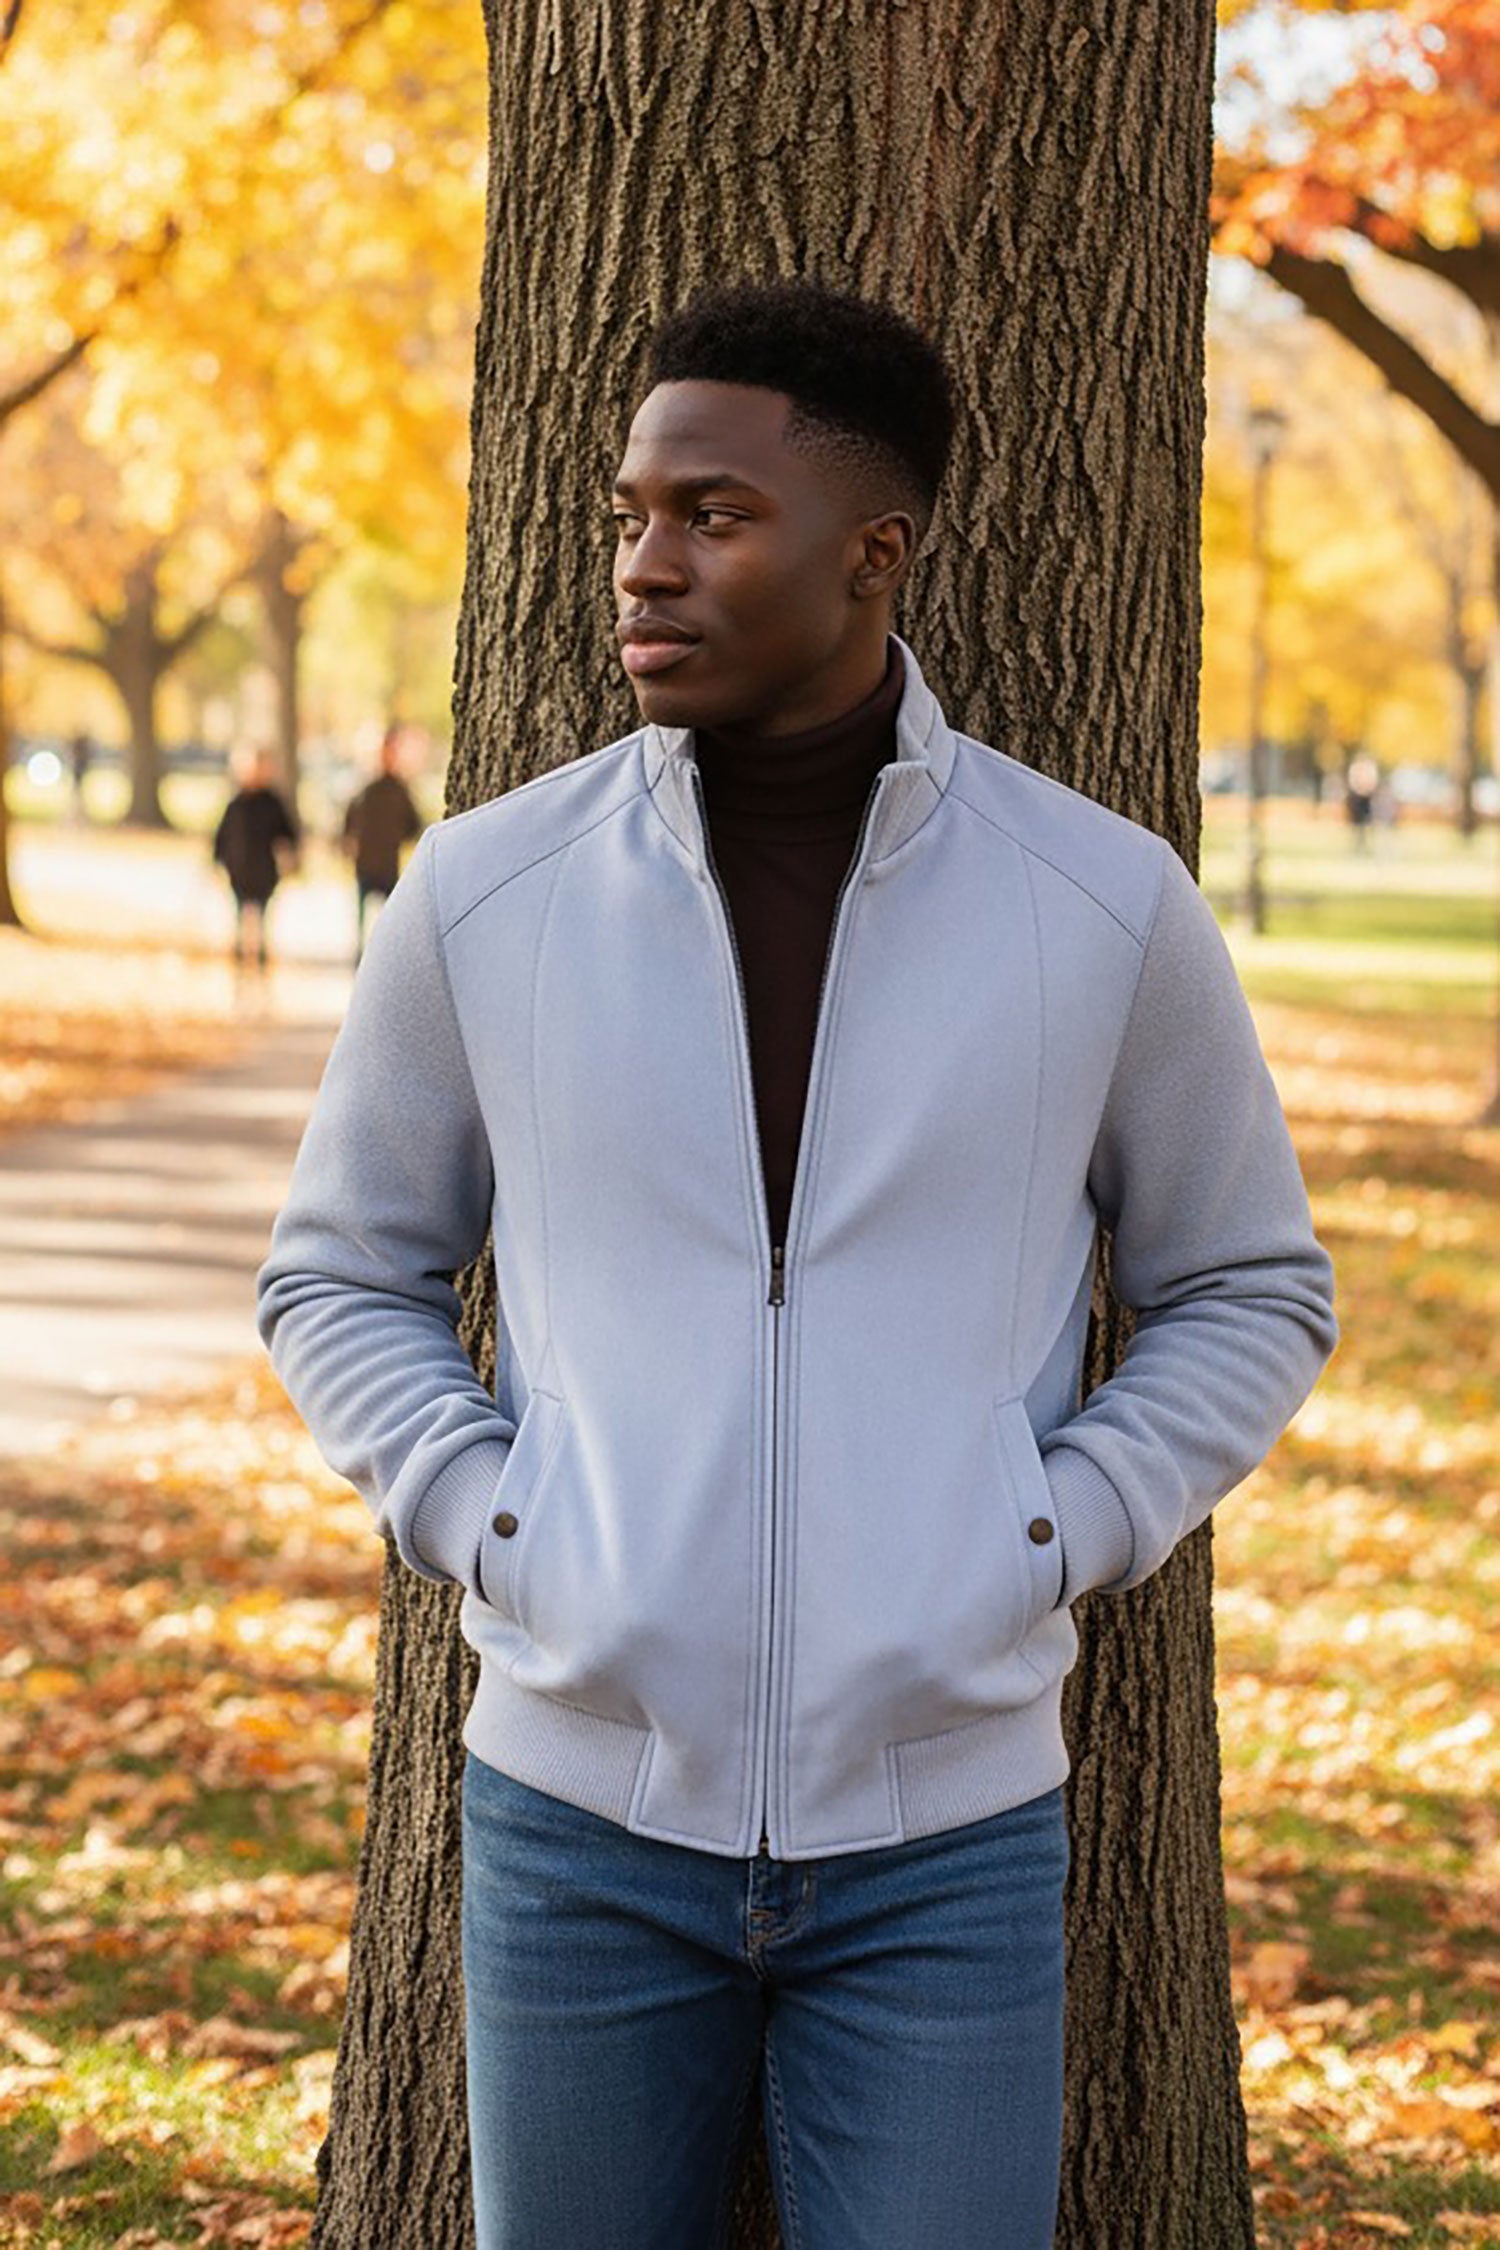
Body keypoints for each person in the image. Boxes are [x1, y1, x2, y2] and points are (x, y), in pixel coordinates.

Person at [257, 282, 1338, 2249]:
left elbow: (1251, 1282)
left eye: (715, 515)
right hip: (574, 1825)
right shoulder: (486, 896)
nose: (644, 563)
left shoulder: (1098, 905)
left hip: (951, 1846)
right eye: (629, 515)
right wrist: (493, 1519)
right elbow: (340, 1270)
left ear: (873, 552)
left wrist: (1057, 1525)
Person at [211, 749, 299, 979]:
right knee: (240, 912)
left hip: (264, 869)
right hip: (239, 868)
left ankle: (260, 954)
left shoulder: (273, 803)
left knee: (262, 914)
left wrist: (290, 856)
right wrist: (217, 861)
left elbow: (288, 833)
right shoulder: (236, 803)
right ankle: (241, 952)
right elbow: (222, 835)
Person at [340, 724, 424, 963]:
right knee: (363, 920)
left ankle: (386, 959)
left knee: (389, 920)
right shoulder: (364, 790)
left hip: (388, 864)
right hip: (366, 864)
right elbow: (349, 822)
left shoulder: (400, 790)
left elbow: (413, 826)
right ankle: (362, 959)